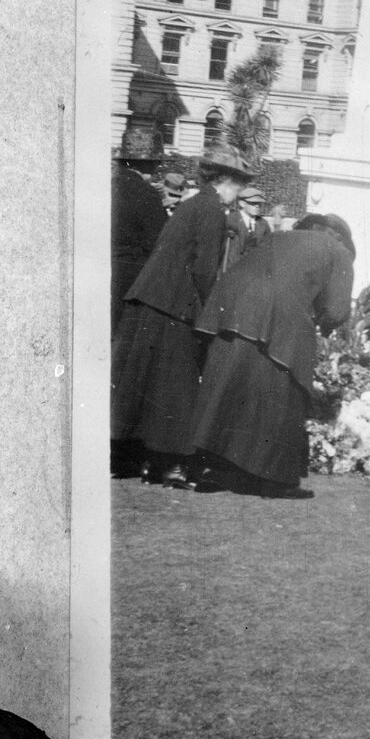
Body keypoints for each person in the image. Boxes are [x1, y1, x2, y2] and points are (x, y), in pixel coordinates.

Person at [110, 143, 257, 488]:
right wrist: (211, 316)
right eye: (238, 183)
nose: (240, 192)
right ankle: (169, 463)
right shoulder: (211, 210)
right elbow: (204, 270)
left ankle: (131, 458)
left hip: (149, 299)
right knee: (176, 386)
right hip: (174, 305)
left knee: (138, 381)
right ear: (224, 180)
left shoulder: (194, 204)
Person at [190, 212, 355, 496]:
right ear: (340, 238)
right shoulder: (337, 251)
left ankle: (214, 468)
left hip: (231, 307)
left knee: (228, 385)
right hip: (279, 315)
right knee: (279, 395)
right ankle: (272, 477)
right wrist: (325, 323)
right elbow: (337, 309)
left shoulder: (279, 236)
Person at [111, 123, 168, 340]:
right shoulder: (146, 194)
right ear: (152, 164)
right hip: (131, 284)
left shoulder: (109, 185)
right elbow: (159, 245)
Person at [221, 185, 271, 272]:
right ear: (242, 203)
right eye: (253, 203)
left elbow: (268, 249)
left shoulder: (263, 224)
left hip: (253, 271)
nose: (257, 206)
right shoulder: (230, 220)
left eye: (259, 203)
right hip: (231, 270)